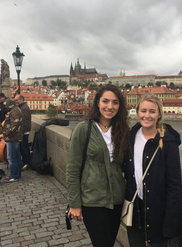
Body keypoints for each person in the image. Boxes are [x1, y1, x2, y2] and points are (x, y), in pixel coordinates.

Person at [66, 84, 130, 247]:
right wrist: (74, 203)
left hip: (116, 198)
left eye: (115, 102)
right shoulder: (84, 128)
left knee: (108, 243)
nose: (110, 106)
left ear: (120, 106)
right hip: (92, 198)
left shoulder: (122, 129)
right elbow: (73, 168)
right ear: (97, 103)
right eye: (106, 101)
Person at [124, 94, 182, 247]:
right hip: (135, 210)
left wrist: (170, 222)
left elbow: (174, 186)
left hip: (158, 213)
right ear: (137, 112)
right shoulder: (130, 137)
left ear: (159, 114)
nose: (147, 116)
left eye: (152, 111)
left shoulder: (168, 143)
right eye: (143, 111)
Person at [1, 103, 23, 182]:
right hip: (15, 138)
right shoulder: (16, 110)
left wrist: (6, 132)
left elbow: (15, 124)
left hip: (12, 138)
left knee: (11, 158)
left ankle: (14, 176)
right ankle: (17, 174)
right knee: (17, 157)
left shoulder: (14, 111)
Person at [14, 94, 31, 170]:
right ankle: (24, 162)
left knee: (25, 148)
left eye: (16, 100)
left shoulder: (24, 108)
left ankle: (27, 163)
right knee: (22, 148)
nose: (15, 102)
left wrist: (21, 131)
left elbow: (25, 122)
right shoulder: (21, 107)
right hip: (22, 131)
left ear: (21, 100)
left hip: (24, 132)